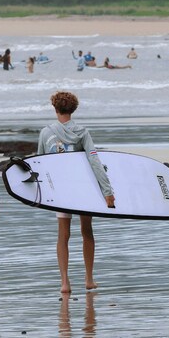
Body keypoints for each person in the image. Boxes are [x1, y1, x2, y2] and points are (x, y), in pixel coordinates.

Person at [38, 91, 115, 293]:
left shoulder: (46, 133)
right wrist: (107, 190)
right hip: (83, 189)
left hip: (61, 190)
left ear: (55, 109)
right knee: (87, 231)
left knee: (63, 235)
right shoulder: (82, 132)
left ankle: (65, 282)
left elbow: (39, 163)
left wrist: (43, 194)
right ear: (73, 109)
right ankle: (89, 279)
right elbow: (94, 160)